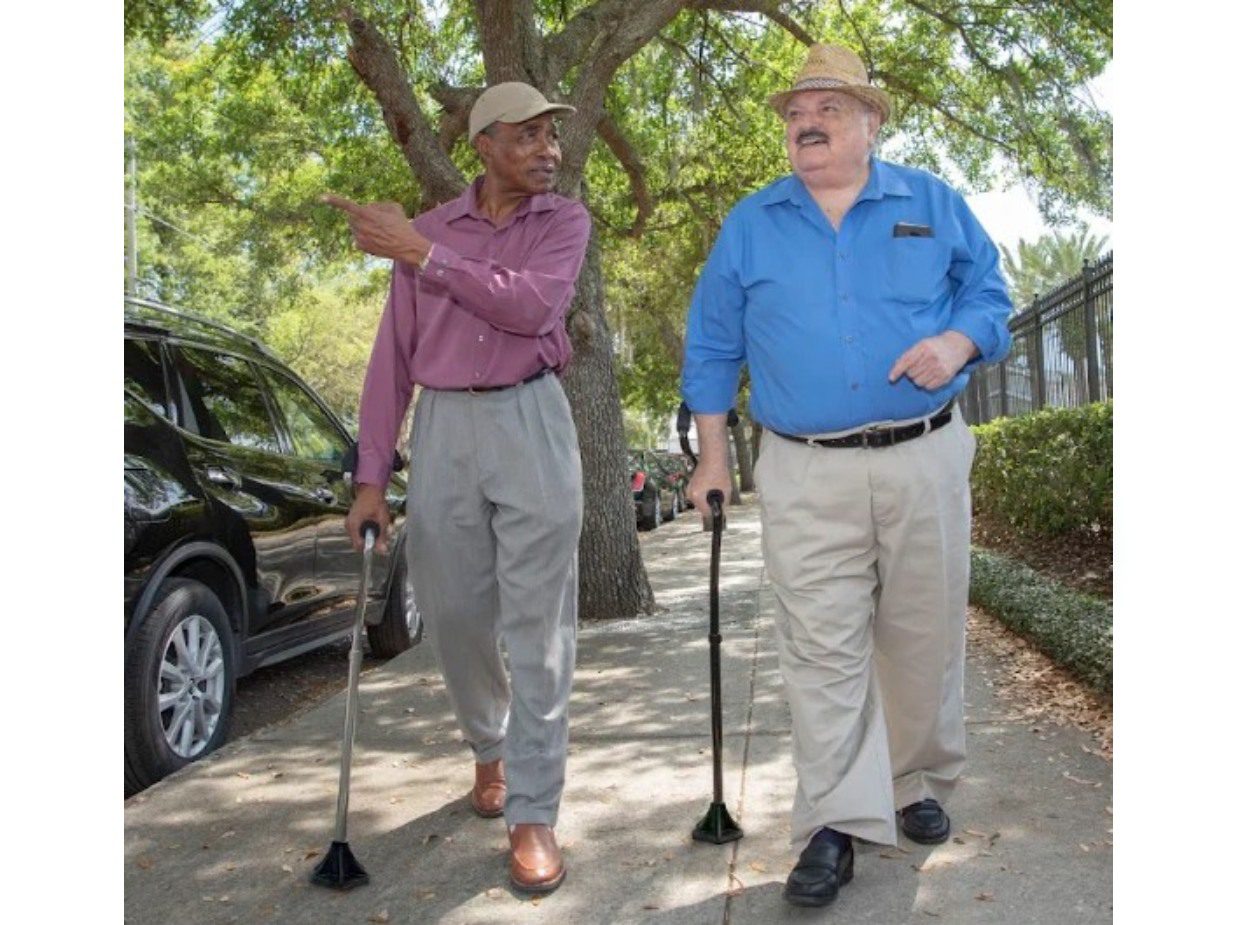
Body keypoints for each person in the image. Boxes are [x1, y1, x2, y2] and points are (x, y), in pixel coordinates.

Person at [681, 42, 1012, 908]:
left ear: (871, 122)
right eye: (796, 113)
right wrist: (711, 456)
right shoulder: (752, 223)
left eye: (828, 108)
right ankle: (834, 819)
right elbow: (712, 344)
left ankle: (911, 780)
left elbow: (990, 294)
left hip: (923, 455)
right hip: (805, 469)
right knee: (820, 648)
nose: (807, 123)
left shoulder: (931, 202)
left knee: (921, 634)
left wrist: (959, 341)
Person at [323, 81, 589, 896]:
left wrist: (422, 254)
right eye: (528, 135)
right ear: (483, 145)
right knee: (456, 612)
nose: (548, 150)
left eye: (552, 136)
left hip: (532, 419)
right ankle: (489, 744)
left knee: (540, 626)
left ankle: (534, 810)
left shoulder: (562, 222)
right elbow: (391, 360)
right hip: (443, 425)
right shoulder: (428, 231)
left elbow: (531, 307)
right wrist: (371, 479)